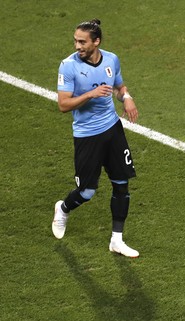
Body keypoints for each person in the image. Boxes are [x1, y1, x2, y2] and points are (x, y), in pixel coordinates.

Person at [52, 19, 140, 258]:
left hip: (112, 130)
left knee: (122, 184)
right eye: (76, 41)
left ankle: (117, 240)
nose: (77, 45)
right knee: (87, 192)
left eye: (82, 41)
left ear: (96, 42)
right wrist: (90, 94)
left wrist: (127, 97)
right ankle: (63, 208)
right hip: (87, 136)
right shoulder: (68, 66)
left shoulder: (111, 59)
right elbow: (63, 104)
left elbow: (119, 87)